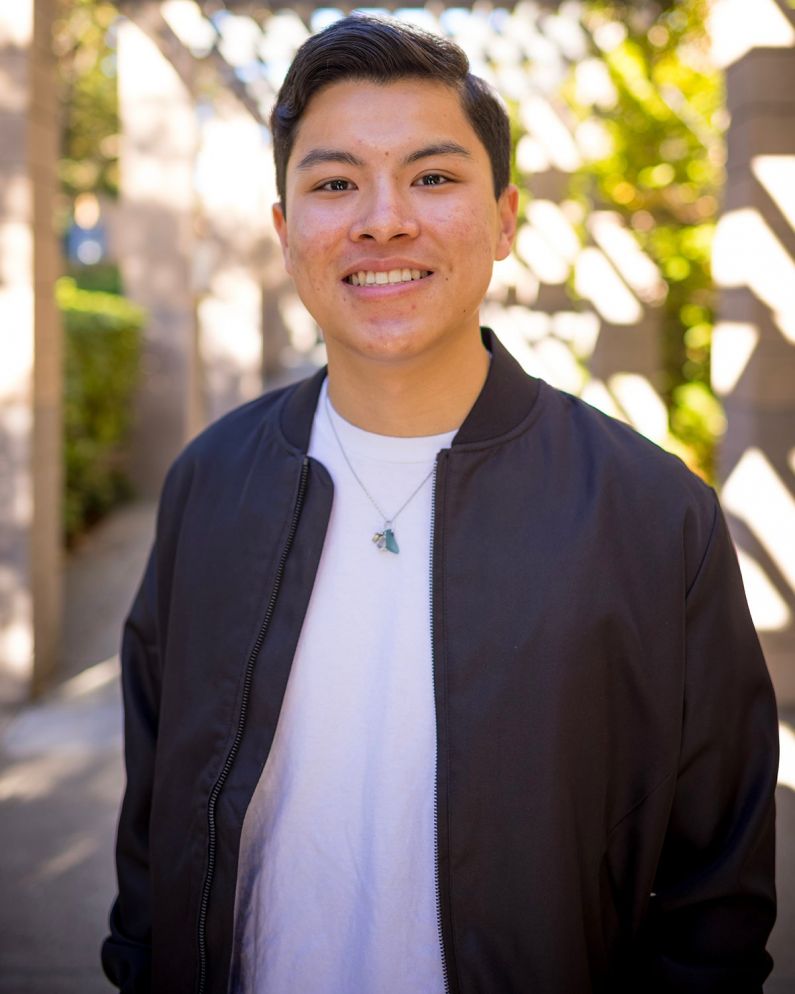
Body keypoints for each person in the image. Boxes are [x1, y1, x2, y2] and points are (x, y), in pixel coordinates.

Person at [102, 13, 778, 994]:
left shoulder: (653, 518)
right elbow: (152, 828)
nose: (383, 220)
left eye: (432, 176)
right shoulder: (210, 483)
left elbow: (716, 893)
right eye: (335, 183)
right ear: (288, 231)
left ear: (504, 220)